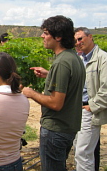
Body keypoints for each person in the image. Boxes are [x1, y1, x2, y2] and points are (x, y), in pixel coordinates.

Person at [22, 15, 86, 171]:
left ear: (58, 37)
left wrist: (31, 93)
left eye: (46, 32)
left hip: (55, 130)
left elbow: (56, 103)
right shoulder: (74, 58)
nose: (42, 36)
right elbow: (69, 83)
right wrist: (49, 74)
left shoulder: (62, 63)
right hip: (68, 127)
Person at [74, 27, 107, 171]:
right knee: (79, 151)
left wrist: (92, 106)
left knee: (83, 153)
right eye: (75, 40)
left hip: (89, 110)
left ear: (90, 37)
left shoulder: (104, 58)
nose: (77, 43)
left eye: (80, 39)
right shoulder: (80, 59)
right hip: (78, 110)